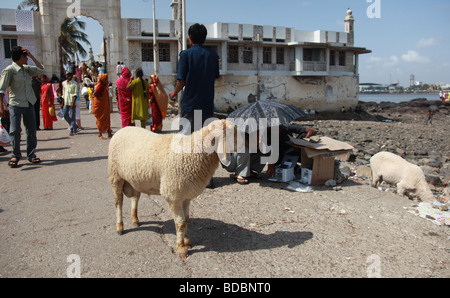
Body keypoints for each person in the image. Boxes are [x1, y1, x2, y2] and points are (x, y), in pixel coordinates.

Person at [169, 23, 220, 134]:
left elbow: (181, 81)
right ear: (204, 38)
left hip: (190, 106)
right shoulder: (213, 56)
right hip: (207, 105)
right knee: (205, 141)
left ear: (190, 38)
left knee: (186, 141)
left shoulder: (186, 55)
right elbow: (216, 77)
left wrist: (174, 92)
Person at [0, 46, 45, 167]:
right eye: (25, 56)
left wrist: (31, 56)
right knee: (15, 131)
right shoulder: (9, 71)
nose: (27, 58)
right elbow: (1, 90)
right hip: (15, 104)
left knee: (31, 130)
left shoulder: (26, 69)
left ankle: (31, 154)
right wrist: (1, 107)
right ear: (21, 57)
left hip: (29, 103)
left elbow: (41, 70)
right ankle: (15, 155)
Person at [91, 73, 113, 139]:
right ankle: (100, 134)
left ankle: (109, 132)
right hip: (101, 105)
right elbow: (96, 93)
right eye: (106, 78)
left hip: (104, 105)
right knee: (101, 119)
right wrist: (101, 97)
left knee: (106, 118)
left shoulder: (104, 85)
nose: (107, 80)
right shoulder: (100, 86)